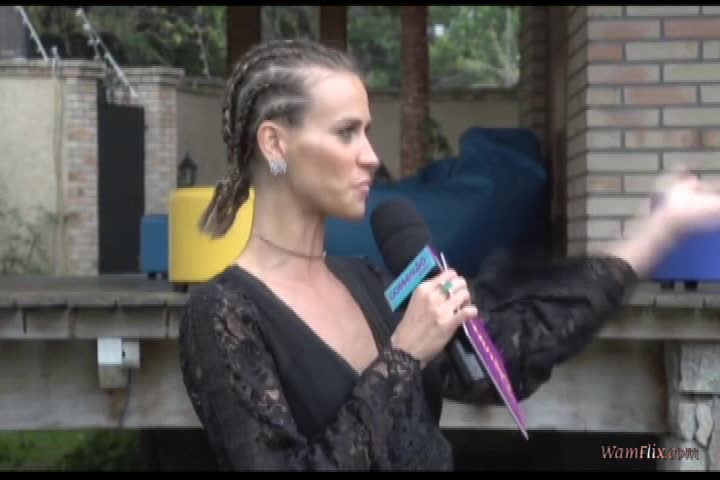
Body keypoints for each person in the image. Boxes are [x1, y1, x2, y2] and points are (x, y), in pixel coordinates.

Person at [178, 38, 720, 471]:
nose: (372, 157)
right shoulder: (223, 313)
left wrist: (656, 231)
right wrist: (404, 356)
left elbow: (501, 350)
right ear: (275, 143)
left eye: (367, 132)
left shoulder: (370, 282)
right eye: (347, 133)